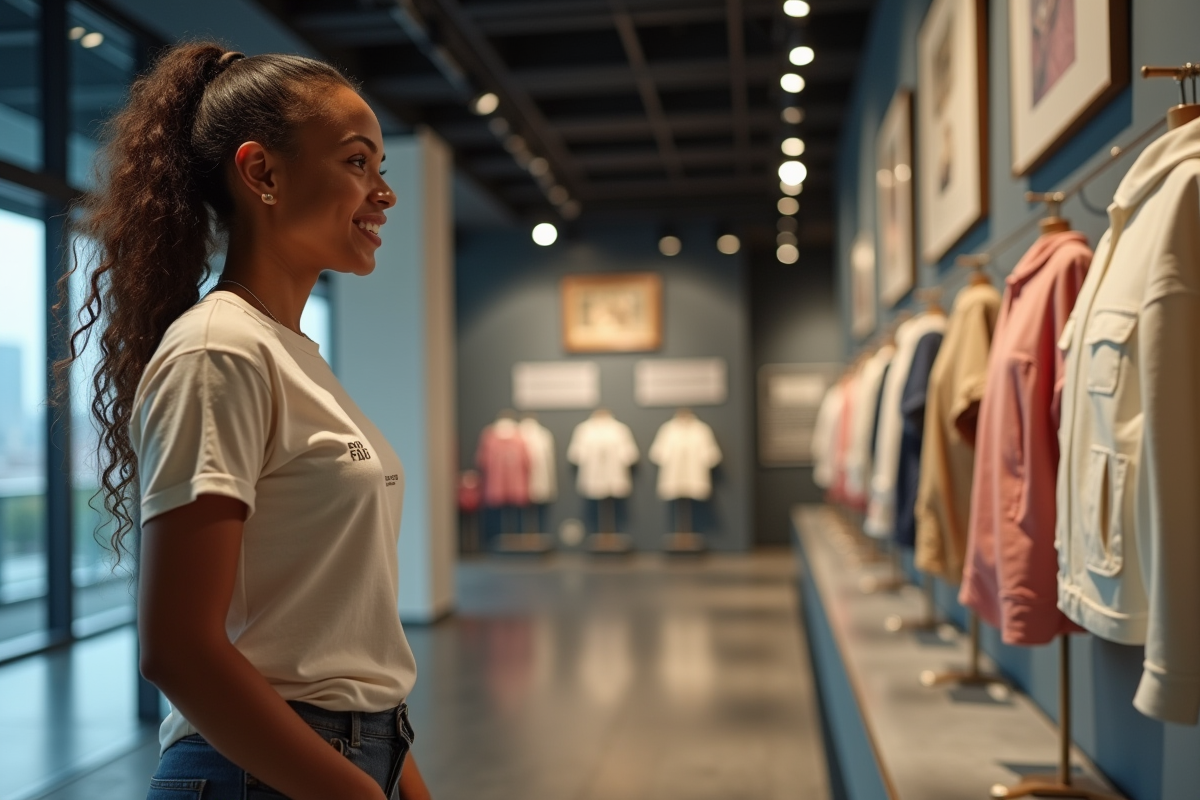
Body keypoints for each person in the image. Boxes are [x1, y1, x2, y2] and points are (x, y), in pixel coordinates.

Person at [59, 42, 432, 800]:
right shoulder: (219, 350)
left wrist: (399, 777)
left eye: (381, 167)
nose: (384, 193)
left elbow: (347, 644)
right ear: (262, 172)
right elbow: (179, 648)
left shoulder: (287, 351)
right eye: (357, 162)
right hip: (257, 773)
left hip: (348, 755)